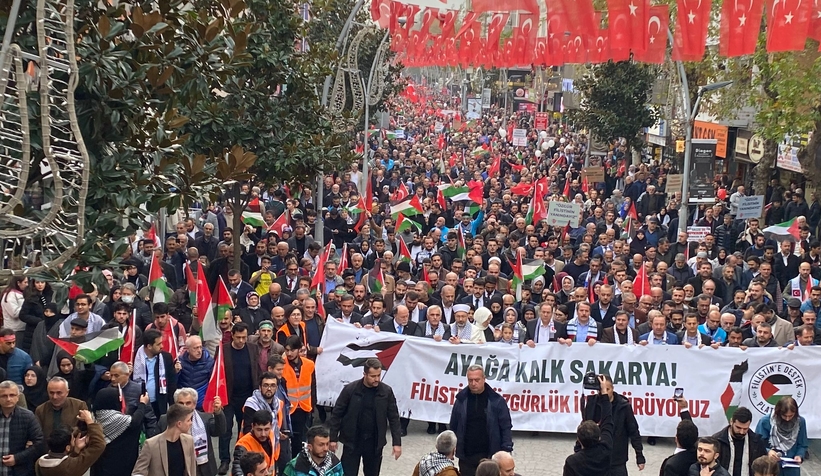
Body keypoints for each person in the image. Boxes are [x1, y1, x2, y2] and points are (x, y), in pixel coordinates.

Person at [327, 358, 402, 476]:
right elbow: (337, 414)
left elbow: (394, 418)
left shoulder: (386, 391)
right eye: (373, 376)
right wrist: (333, 438)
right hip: (352, 441)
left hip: (374, 443)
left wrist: (397, 443)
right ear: (364, 374)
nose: (376, 379)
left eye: (378, 375)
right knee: (348, 473)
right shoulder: (350, 390)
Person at [449, 365, 513, 476]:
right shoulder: (461, 400)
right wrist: (452, 447)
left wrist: (506, 449)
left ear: (484, 378)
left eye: (477, 380)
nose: (473, 383)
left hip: (489, 455)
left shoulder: (496, 401)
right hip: (467, 456)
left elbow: (505, 426)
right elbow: (453, 425)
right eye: (470, 380)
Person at [221, 322, 260, 474]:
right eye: (239, 337)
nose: (242, 341)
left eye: (244, 337)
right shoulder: (223, 350)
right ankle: (224, 460)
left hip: (247, 396)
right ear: (232, 335)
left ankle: (242, 460)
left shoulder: (252, 348)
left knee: (245, 429)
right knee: (226, 430)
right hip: (229, 397)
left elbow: (256, 370)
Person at [159, 388, 226, 476]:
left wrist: (218, 413)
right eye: (181, 403)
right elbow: (158, 443)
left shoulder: (205, 418)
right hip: (176, 467)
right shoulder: (165, 420)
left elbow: (219, 431)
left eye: (188, 403)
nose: (184, 406)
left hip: (201, 468)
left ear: (194, 404)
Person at [92, 386, 149, 476]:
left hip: (100, 464)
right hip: (116, 464)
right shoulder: (112, 417)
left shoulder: (96, 415)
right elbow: (135, 421)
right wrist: (142, 404)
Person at [563, 375, 612, 476]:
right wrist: (604, 394)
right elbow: (607, 421)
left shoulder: (572, 461)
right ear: (599, 437)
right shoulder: (605, 451)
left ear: (579, 440)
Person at [133, 403, 198, 476]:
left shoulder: (189, 440)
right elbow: (138, 472)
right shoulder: (151, 445)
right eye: (188, 420)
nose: (191, 423)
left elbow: (192, 469)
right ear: (179, 424)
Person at [35, 409, 106, 476]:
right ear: (67, 447)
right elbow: (99, 445)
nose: (74, 440)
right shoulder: (69, 467)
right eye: (73, 439)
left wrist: (76, 451)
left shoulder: (39, 463)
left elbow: (62, 462)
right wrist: (89, 421)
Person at [0, 380, 44, 476]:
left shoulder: (27, 416)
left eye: (12, 395)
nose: (8, 399)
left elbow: (39, 443)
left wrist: (17, 458)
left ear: (18, 397)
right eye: (4, 396)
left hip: (19, 471)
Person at [132, 328, 180, 417]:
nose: (162, 346)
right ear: (149, 346)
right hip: (140, 403)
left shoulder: (166, 357)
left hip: (159, 404)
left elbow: (171, 383)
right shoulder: (134, 358)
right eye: (158, 344)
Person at [754, 396, 807, 476]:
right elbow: (757, 444)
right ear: (778, 412)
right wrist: (768, 451)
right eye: (784, 416)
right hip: (770, 468)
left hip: (791, 469)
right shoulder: (765, 421)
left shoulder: (800, 422)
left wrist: (799, 455)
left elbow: (802, 444)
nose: (787, 419)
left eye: (791, 416)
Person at [282, 335, 315, 457]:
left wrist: (313, 406)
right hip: (288, 409)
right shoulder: (282, 365)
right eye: (287, 350)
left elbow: (313, 387)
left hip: (304, 407)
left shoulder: (309, 364)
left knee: (301, 439)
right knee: (290, 440)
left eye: (292, 350)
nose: (289, 353)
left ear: (299, 349)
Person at [711, 407, 768, 476]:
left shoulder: (757, 442)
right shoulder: (717, 440)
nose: (741, 432)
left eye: (745, 429)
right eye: (738, 427)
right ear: (731, 421)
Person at [232, 410, 279, 476]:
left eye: (266, 429)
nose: (263, 434)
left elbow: (274, 458)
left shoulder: (271, 435)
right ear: (252, 426)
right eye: (259, 430)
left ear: (271, 426)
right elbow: (237, 467)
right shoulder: (243, 445)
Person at [660, 397, 699, 476]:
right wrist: (684, 409)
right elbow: (690, 430)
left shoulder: (671, 465)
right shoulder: (698, 454)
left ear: (676, 438)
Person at [177, 335, 215, 409]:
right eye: (195, 348)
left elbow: (213, 383)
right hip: (184, 405)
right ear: (187, 349)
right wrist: (176, 372)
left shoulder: (209, 362)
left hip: (201, 404)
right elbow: (173, 382)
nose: (199, 350)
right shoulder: (179, 362)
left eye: (200, 347)